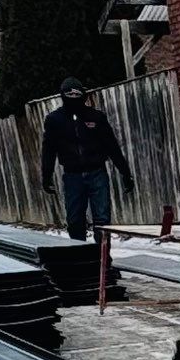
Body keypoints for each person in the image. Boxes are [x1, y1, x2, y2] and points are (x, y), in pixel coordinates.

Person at [39, 78, 129, 243]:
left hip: (97, 173)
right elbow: (48, 149)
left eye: (77, 95)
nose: (74, 99)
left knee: (102, 221)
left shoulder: (95, 117)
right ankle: (80, 260)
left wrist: (125, 172)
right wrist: (47, 176)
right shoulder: (55, 120)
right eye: (70, 95)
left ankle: (103, 263)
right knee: (75, 221)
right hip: (72, 175)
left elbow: (112, 146)